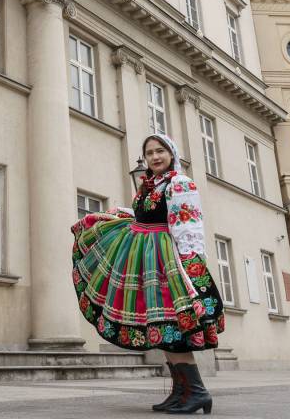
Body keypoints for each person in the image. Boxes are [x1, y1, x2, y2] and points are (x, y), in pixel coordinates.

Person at [71, 134, 224, 414]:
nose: (155, 157)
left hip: (167, 261)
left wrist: (190, 267)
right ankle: (181, 392)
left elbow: (188, 227)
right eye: (150, 153)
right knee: (161, 326)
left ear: (171, 154)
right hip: (149, 258)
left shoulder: (179, 183)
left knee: (173, 324)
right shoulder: (150, 185)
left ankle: (197, 392)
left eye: (160, 151)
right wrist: (116, 215)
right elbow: (145, 216)